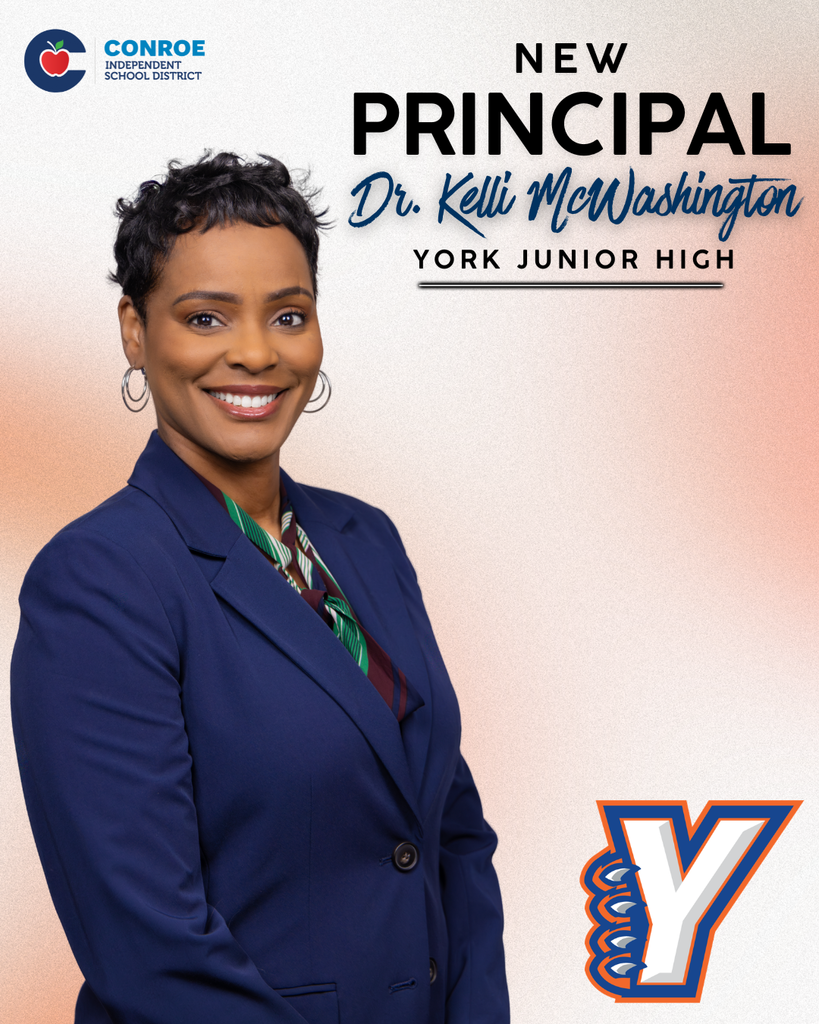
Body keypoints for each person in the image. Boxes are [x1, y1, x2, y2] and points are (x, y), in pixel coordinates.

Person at [10, 152, 509, 1024]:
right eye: (205, 318)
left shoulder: (365, 538)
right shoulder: (99, 580)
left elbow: (450, 836)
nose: (254, 353)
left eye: (287, 314)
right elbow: (149, 945)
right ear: (135, 330)